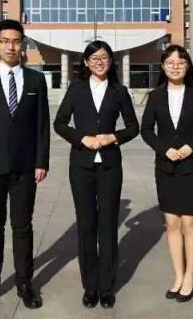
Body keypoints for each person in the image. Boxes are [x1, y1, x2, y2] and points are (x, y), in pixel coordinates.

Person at [0, 19, 50, 311]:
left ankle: (25, 284)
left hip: (25, 169)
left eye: (16, 41)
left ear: (22, 44)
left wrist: (41, 161)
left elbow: (42, 126)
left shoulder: (36, 80)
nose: (10, 47)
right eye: (5, 41)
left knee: (22, 227)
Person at [53, 40, 139, 309]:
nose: (99, 62)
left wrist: (113, 137)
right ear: (86, 62)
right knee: (87, 225)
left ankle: (106, 286)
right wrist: (81, 138)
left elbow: (133, 127)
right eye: (94, 58)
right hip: (82, 166)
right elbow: (59, 123)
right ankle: (90, 286)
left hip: (110, 166)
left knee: (108, 225)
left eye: (104, 57)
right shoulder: (76, 89)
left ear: (111, 61)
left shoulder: (119, 91)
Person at [140, 45, 193, 302]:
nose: (175, 66)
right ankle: (178, 274)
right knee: (172, 223)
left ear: (187, 66)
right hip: (165, 168)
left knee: (189, 223)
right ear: (163, 67)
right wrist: (165, 149)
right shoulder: (155, 97)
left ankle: (190, 276)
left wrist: (191, 146)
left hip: (190, 168)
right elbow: (146, 130)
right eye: (170, 62)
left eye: (181, 62)